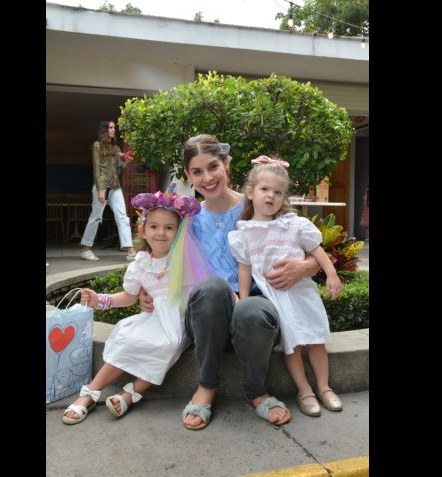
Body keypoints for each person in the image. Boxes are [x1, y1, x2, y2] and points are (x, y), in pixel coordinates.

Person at [138, 134, 324, 430]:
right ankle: (206, 386)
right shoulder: (188, 219)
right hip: (207, 318)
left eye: (213, 166)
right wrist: (145, 291)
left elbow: (311, 244)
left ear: (226, 163)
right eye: (197, 171)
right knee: (213, 288)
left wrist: (305, 266)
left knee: (250, 309)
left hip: (256, 319)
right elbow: (158, 261)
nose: (207, 178)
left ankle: (257, 391)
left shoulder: (258, 204)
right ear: (188, 175)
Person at [62, 186, 202, 425]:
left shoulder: (184, 260)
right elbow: (129, 296)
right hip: (153, 318)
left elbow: (197, 291)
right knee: (127, 338)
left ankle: (130, 394)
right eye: (154, 226)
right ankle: (91, 391)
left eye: (169, 228)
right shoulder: (140, 265)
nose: (161, 233)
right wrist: (100, 300)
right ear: (143, 230)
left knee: (167, 345)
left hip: (178, 321)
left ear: (179, 232)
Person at [228, 156, 343, 417]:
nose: (271, 196)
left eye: (278, 192)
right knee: (292, 345)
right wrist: (243, 300)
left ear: (284, 197)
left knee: (316, 339)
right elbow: (244, 269)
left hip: (302, 292)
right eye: (265, 189)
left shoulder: (293, 224)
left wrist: (331, 274)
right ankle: (305, 390)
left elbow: (317, 249)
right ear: (250, 192)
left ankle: (324, 387)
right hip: (277, 297)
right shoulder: (244, 233)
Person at [78, 120, 136, 262]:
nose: (113, 130)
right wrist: (99, 190)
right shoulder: (97, 145)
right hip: (102, 185)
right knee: (96, 217)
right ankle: (85, 249)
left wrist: (126, 161)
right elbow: (96, 168)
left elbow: (118, 168)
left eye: (114, 127)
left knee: (122, 216)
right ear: (105, 130)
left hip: (115, 186)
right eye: (110, 127)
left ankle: (130, 250)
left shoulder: (116, 147)